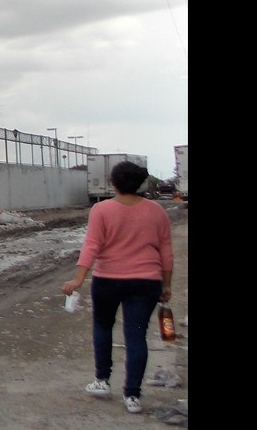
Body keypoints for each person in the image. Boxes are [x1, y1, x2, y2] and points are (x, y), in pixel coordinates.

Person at [61, 160, 173, 414]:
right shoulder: (156, 212)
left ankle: (102, 381)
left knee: (103, 326)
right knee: (136, 336)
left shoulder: (102, 210)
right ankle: (132, 396)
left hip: (108, 280)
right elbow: (166, 252)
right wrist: (166, 284)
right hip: (146, 282)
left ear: (113, 184)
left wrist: (78, 278)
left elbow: (92, 245)